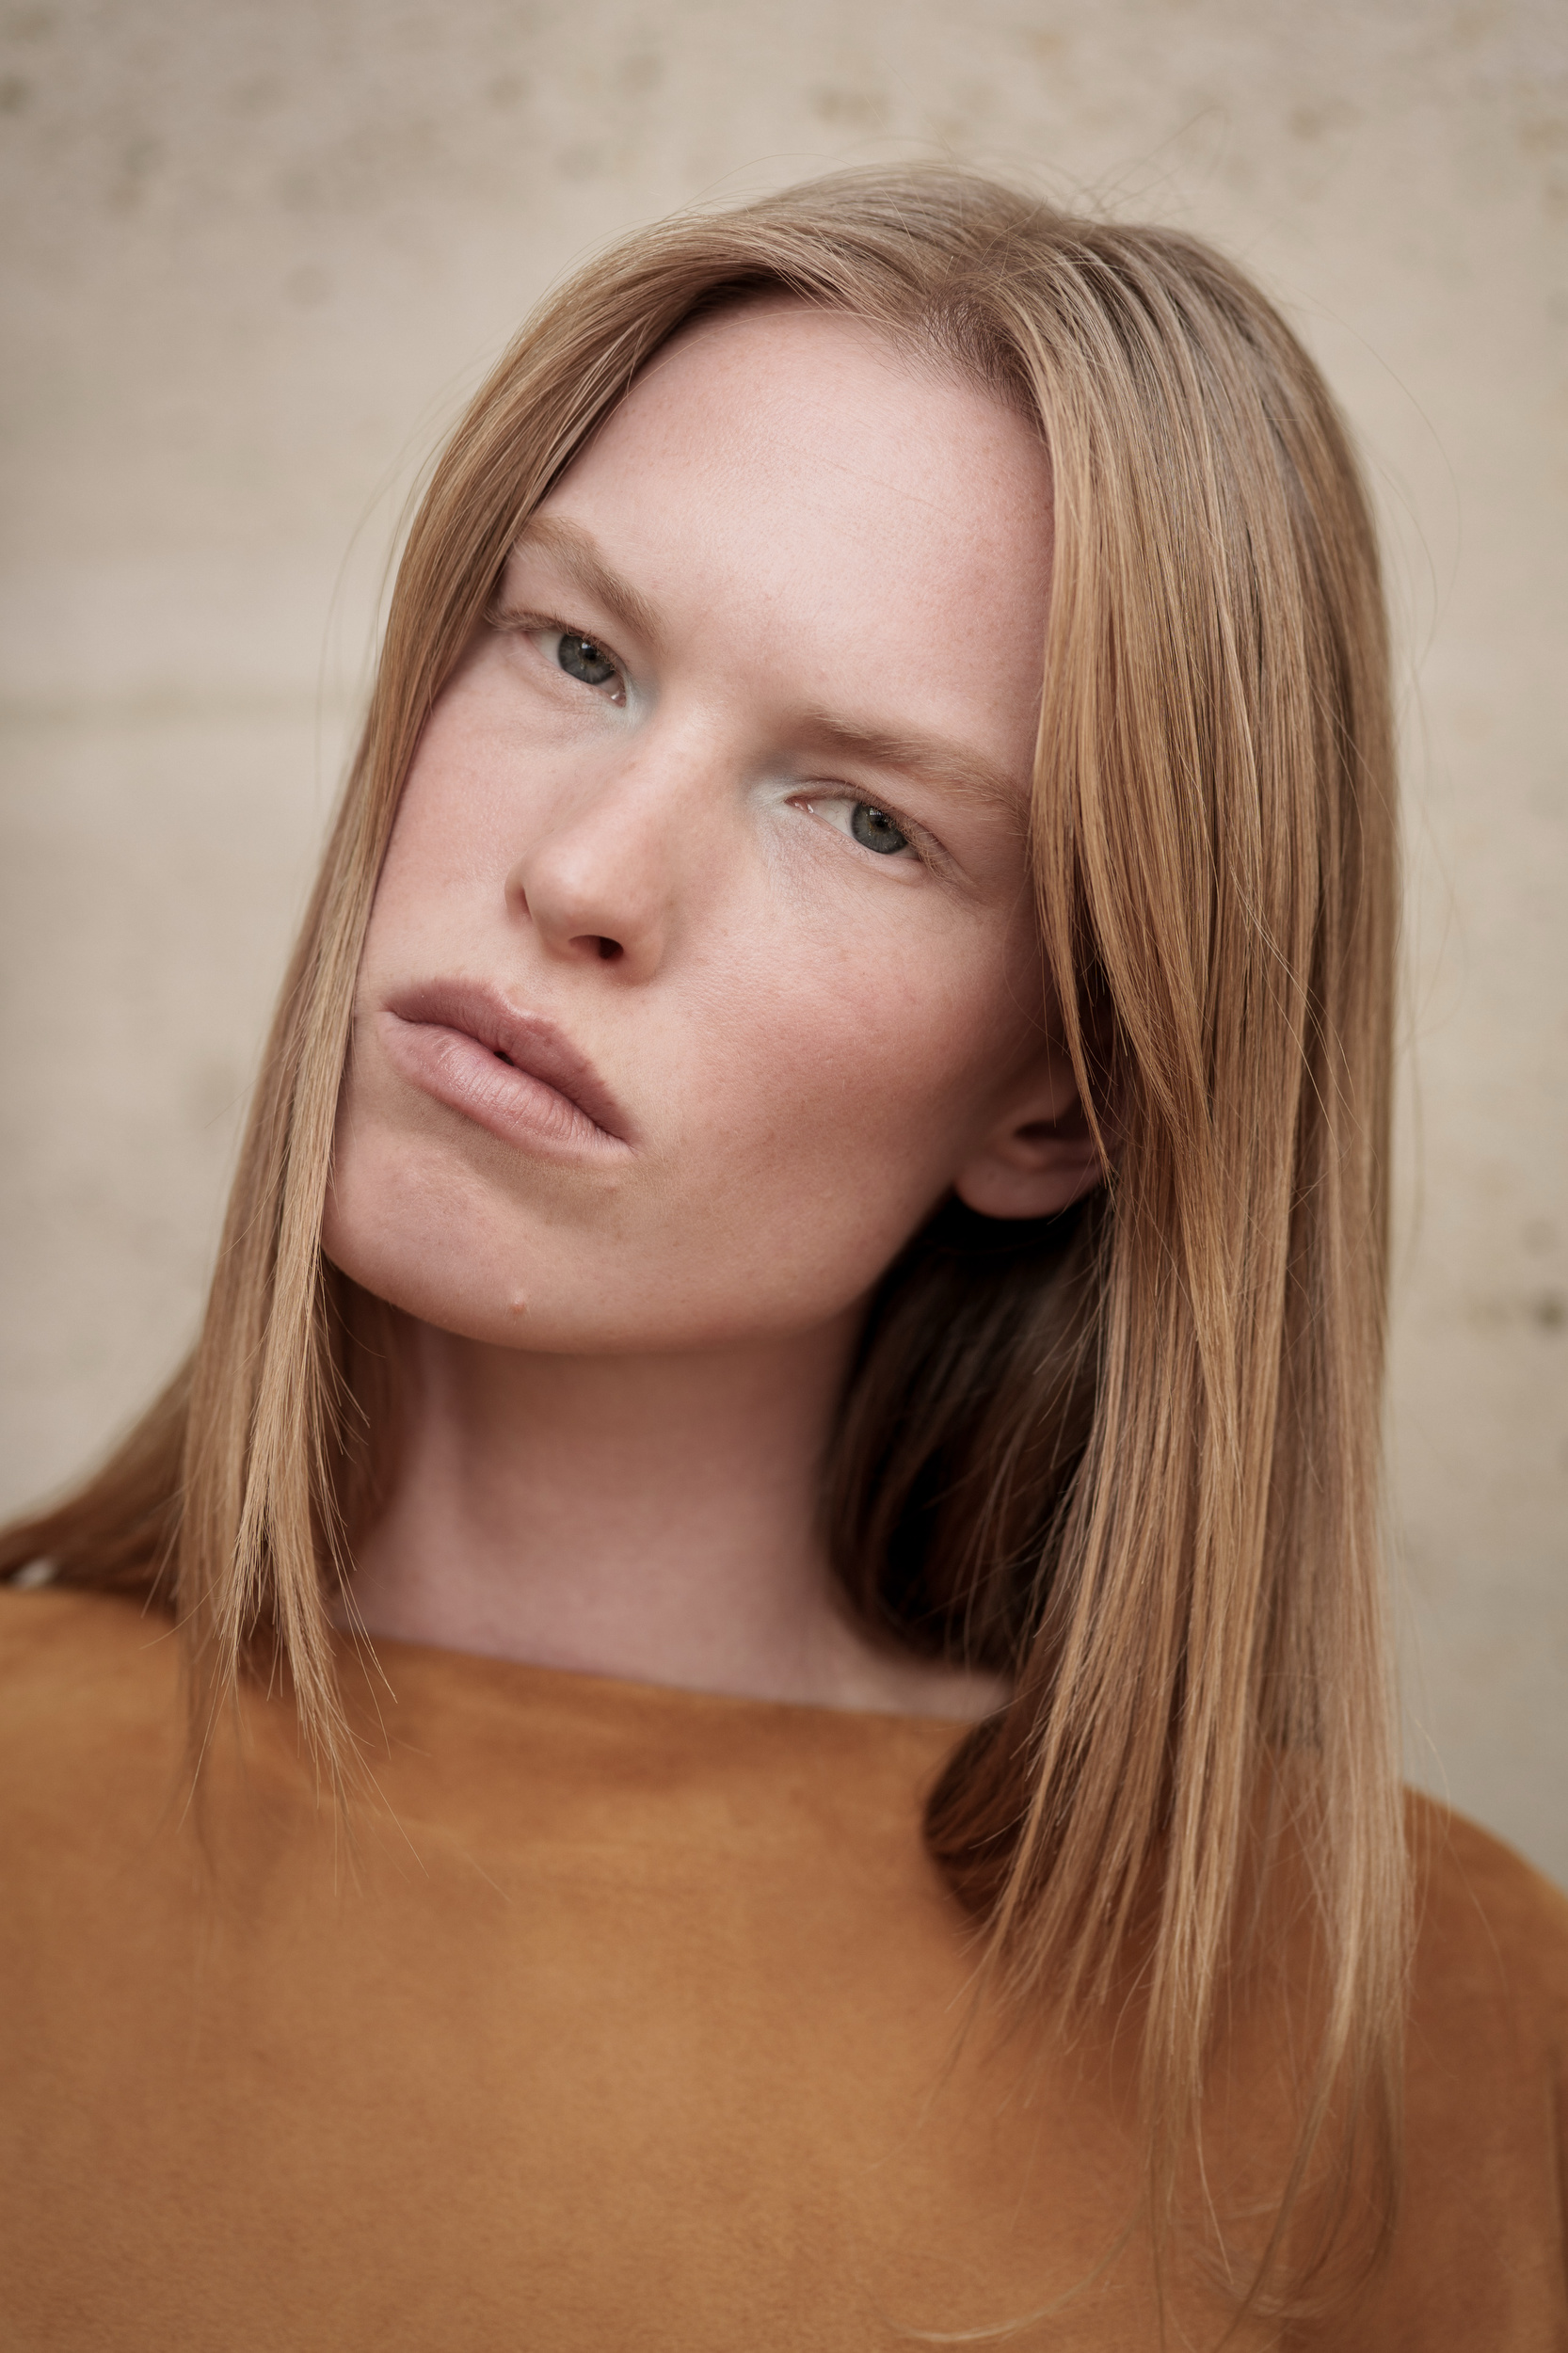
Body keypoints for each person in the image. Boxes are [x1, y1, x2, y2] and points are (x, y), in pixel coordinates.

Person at [1, 168, 1562, 2351]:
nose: (583, 874)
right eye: (576, 652)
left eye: (868, 817)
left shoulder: (1421, 2038)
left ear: (1060, 1102)